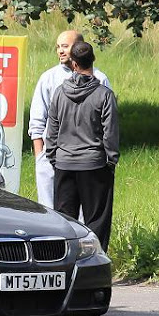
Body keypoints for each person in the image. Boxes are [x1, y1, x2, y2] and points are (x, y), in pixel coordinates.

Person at [45, 41, 119, 252]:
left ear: (73, 64)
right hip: (94, 165)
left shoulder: (59, 92)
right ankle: (95, 262)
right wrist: (111, 160)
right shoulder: (104, 95)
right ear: (93, 60)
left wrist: (53, 157)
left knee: (65, 222)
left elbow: (52, 130)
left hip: (64, 164)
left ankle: (64, 263)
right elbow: (110, 133)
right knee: (97, 220)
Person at [28, 30, 111, 209]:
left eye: (65, 46)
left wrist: (107, 158)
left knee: (83, 215)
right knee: (50, 211)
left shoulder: (100, 79)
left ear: (79, 48)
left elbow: (108, 123)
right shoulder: (48, 79)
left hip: (88, 160)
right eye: (58, 47)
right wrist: (40, 155)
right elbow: (37, 119)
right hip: (51, 157)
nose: (60, 51)